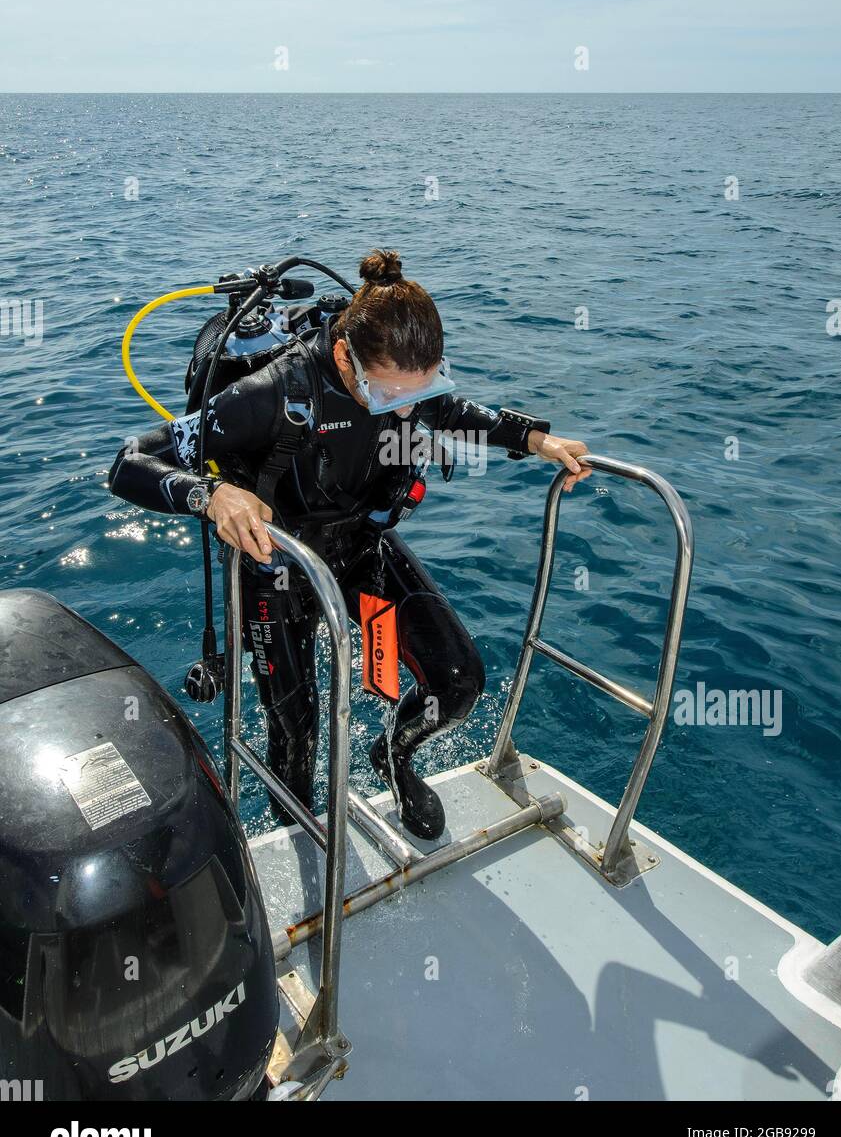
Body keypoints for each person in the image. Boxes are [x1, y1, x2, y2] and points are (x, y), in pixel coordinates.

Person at [109, 249, 591, 839]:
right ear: (345, 357)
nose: (410, 410)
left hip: (360, 550)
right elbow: (129, 462)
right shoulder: (272, 394)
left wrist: (534, 438)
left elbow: (452, 411)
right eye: (392, 397)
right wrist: (211, 495)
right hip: (277, 570)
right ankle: (302, 844)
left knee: (457, 682)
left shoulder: (404, 382)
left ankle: (394, 755)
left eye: (423, 390)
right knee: (297, 730)